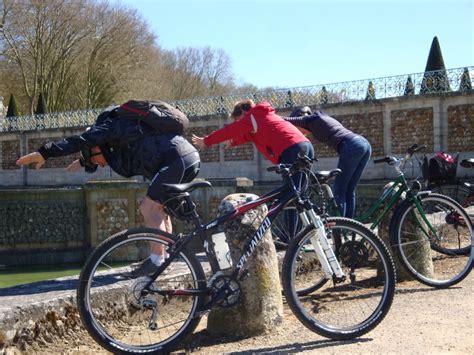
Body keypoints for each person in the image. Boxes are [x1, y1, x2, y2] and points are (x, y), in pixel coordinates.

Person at [16, 104, 200, 277]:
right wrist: (83, 161)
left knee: (148, 207)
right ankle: (163, 258)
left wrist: (45, 152)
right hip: (184, 158)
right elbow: (103, 153)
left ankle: (157, 262)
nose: (100, 166)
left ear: (97, 147)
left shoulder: (113, 126)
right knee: (160, 208)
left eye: (95, 161)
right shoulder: (119, 141)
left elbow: (81, 141)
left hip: (178, 159)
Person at [192, 99, 314, 186]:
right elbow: (246, 136)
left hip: (292, 149)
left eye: (238, 120)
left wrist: (206, 141)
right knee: (300, 192)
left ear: (244, 113)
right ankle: (313, 221)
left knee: (290, 193)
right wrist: (233, 142)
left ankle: (292, 223)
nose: (239, 123)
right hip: (305, 145)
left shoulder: (252, 117)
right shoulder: (261, 118)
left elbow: (230, 130)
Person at [284, 106, 372, 218]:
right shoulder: (321, 117)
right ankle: (350, 228)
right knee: (349, 189)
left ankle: (340, 228)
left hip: (352, 146)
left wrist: (266, 114)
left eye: (297, 129)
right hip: (363, 144)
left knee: (339, 189)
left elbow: (285, 120)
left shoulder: (310, 119)